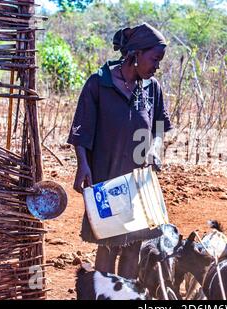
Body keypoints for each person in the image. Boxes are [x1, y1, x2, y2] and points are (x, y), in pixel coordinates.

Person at [67, 23, 172, 279]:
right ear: (135, 55)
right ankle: (104, 292)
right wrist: (83, 165)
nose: (157, 66)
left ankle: (126, 294)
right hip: (106, 177)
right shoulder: (98, 84)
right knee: (107, 246)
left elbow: (159, 126)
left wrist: (155, 150)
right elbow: (81, 132)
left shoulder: (152, 88)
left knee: (134, 247)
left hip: (138, 181)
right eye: (154, 59)